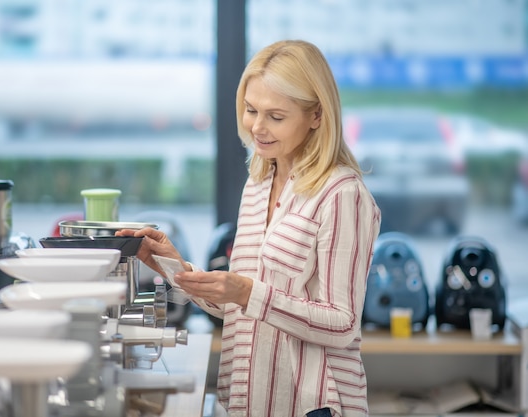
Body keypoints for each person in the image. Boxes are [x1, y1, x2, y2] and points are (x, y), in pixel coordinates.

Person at [117, 40, 381, 417]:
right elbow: (240, 307)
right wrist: (171, 266)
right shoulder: (258, 183)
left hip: (313, 405)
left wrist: (247, 292)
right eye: (250, 109)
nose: (257, 127)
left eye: (276, 116)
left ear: (317, 115)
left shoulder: (342, 194)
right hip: (249, 401)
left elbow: (342, 323)